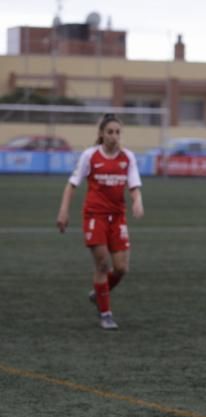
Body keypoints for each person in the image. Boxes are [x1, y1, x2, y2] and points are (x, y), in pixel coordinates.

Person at [56, 113, 144, 330]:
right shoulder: (90, 156)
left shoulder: (127, 157)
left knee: (121, 268)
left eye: (117, 132)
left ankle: (98, 293)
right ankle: (106, 313)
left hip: (118, 217)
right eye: (110, 132)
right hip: (95, 216)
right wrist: (63, 211)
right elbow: (72, 184)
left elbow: (134, 186)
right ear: (102, 135)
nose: (114, 136)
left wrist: (137, 201)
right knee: (103, 264)